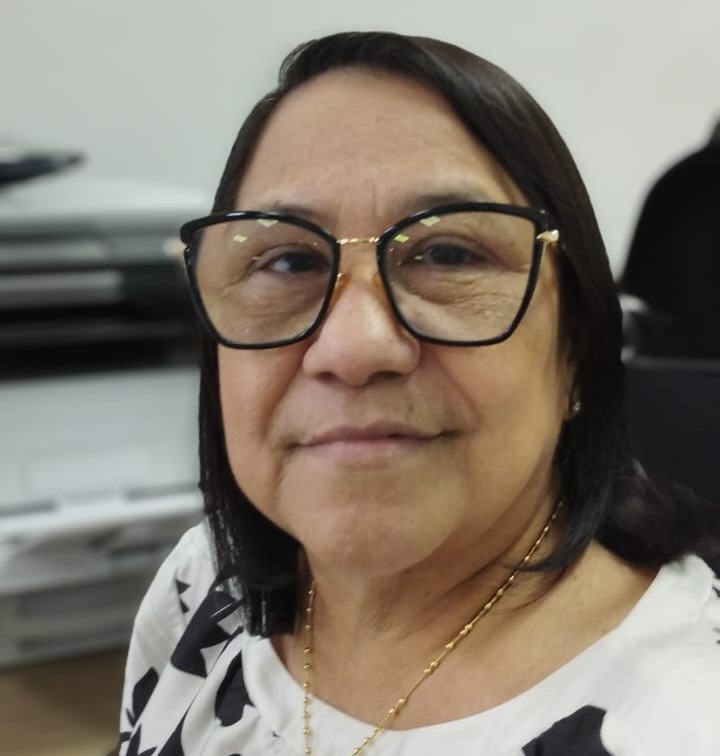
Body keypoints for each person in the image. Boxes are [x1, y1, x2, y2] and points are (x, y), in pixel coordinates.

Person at [117, 31, 720, 756]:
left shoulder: (682, 722)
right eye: (287, 261)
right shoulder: (206, 581)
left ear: (576, 352)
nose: (353, 348)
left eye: (448, 254)